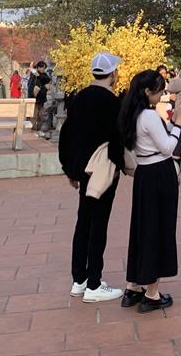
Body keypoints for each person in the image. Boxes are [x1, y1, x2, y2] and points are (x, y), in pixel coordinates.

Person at [58, 52, 125, 303]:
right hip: (103, 169)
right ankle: (94, 284)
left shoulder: (79, 98)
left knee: (84, 221)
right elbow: (118, 137)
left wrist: (70, 170)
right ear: (113, 73)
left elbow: (67, 135)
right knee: (99, 223)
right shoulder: (111, 101)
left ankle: (80, 279)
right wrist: (120, 166)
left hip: (83, 169)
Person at [119, 69, 181, 313]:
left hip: (144, 174)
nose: (162, 95)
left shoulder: (132, 112)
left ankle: (133, 286)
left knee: (142, 228)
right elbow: (168, 147)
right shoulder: (148, 115)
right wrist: (179, 122)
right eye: (159, 91)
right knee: (158, 230)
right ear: (147, 91)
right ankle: (152, 293)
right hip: (159, 173)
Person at [29, 60, 51, 131]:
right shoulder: (33, 75)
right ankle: (33, 129)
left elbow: (47, 79)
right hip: (35, 98)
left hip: (42, 98)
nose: (43, 69)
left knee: (41, 115)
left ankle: (38, 128)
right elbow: (30, 86)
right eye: (42, 68)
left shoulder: (43, 75)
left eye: (44, 68)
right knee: (34, 115)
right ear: (38, 67)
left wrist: (39, 76)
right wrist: (31, 96)